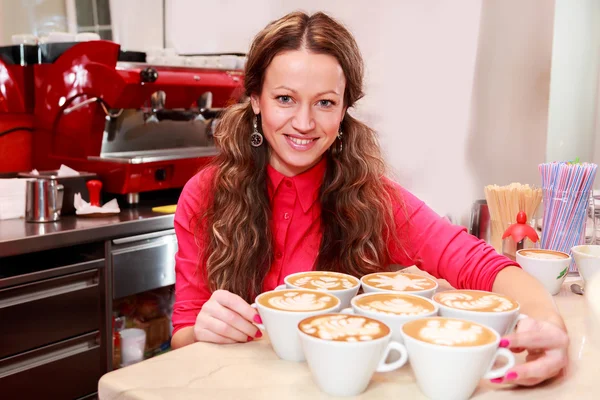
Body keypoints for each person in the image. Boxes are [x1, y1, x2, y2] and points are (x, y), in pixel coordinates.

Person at [171, 11, 569, 387]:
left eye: (325, 102)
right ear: (256, 100)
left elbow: (481, 264)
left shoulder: (372, 200)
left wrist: (550, 326)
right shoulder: (204, 195)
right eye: (285, 99)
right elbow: (183, 334)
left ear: (344, 109)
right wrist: (203, 329)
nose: (305, 123)